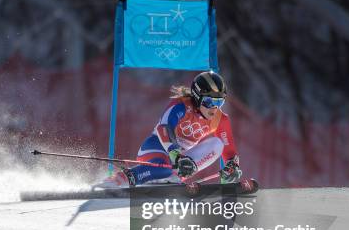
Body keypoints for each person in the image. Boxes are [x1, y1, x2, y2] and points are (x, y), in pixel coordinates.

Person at [100, 71, 242, 188]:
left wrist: (232, 166)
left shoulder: (220, 119)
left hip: (181, 160)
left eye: (219, 102)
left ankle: (174, 176)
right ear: (198, 97)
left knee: (217, 144)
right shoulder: (181, 106)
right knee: (163, 168)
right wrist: (176, 155)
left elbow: (229, 151)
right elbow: (164, 128)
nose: (214, 108)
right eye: (210, 102)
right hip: (157, 147)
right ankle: (122, 178)